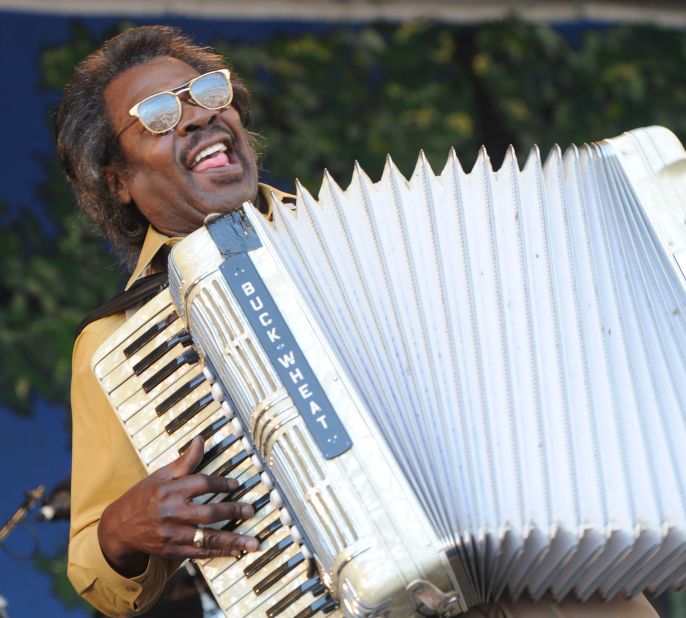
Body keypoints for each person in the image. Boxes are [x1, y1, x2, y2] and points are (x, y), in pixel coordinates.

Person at [57, 25, 658, 618]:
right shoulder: (123, 342)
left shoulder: (371, 229)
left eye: (209, 94)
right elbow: (94, 569)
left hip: (552, 568)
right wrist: (118, 532)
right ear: (119, 182)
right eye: (158, 115)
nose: (197, 117)